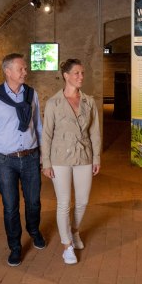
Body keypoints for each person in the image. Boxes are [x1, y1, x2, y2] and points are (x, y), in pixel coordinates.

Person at [0, 53, 45, 267]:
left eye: (25, 69)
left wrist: (45, 155)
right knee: (10, 206)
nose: (25, 72)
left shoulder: (31, 94)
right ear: (8, 71)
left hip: (31, 156)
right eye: (21, 69)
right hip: (5, 160)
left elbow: (38, 126)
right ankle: (15, 246)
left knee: (34, 202)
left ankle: (34, 231)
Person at [41, 58, 101, 265]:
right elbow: (46, 134)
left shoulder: (89, 102)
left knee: (82, 201)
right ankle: (66, 246)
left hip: (83, 155)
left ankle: (74, 231)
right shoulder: (53, 103)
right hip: (59, 158)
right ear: (66, 76)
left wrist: (96, 157)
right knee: (64, 203)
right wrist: (46, 162)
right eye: (76, 73)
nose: (81, 77)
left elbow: (94, 132)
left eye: (82, 73)